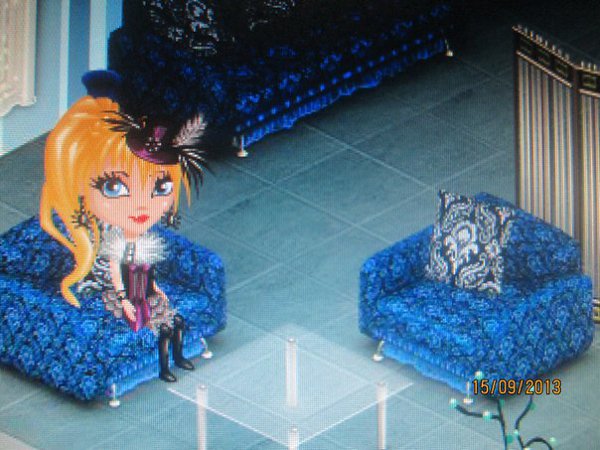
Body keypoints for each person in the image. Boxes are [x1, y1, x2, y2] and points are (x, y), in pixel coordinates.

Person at [39, 71, 209, 382]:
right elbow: (115, 271)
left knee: (174, 322)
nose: (143, 206)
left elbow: (146, 268)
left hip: (140, 289)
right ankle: (165, 366)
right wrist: (123, 298)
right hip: (122, 291)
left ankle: (178, 357)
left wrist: (155, 288)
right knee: (159, 327)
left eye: (160, 187)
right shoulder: (101, 236)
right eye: (114, 187)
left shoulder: (136, 235)